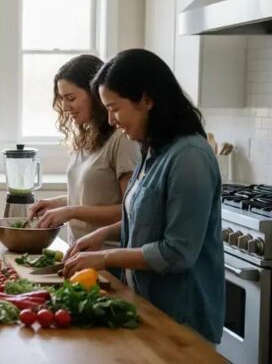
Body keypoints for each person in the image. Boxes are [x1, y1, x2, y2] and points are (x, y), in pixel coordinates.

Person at [63, 48, 225, 343]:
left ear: (147, 100)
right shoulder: (153, 149)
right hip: (149, 308)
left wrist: (105, 257)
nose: (110, 120)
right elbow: (145, 217)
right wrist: (100, 235)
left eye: (114, 108)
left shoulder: (189, 157)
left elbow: (177, 252)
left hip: (182, 319)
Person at [29, 55, 139, 246]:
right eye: (61, 99)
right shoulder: (87, 136)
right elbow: (93, 198)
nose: (64, 107)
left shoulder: (122, 140)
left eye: (70, 98)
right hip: (80, 253)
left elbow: (130, 210)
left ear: (96, 94)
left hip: (109, 257)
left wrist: (71, 211)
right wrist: (59, 203)